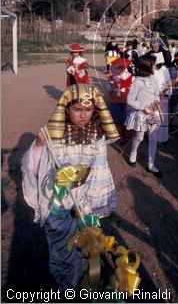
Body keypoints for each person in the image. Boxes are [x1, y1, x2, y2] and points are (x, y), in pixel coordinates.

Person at [21, 84, 119, 291]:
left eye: (88, 109)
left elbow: (100, 171)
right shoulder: (53, 135)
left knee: (88, 247)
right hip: (58, 202)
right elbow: (36, 171)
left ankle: (86, 280)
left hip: (86, 200)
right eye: (77, 109)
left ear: (95, 110)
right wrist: (38, 145)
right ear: (66, 109)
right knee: (62, 249)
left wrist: (93, 208)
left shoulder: (97, 136)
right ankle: (66, 285)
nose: (83, 115)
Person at [126, 55, 163, 177]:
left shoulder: (155, 80)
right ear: (146, 67)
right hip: (141, 114)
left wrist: (157, 103)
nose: (154, 67)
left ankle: (151, 164)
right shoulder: (137, 82)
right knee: (140, 138)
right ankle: (133, 153)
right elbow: (130, 100)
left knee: (153, 138)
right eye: (152, 65)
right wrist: (143, 107)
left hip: (153, 113)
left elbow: (156, 96)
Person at [108, 57, 134, 143]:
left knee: (127, 122)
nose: (118, 69)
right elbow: (108, 89)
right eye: (117, 67)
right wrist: (110, 86)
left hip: (128, 102)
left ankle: (127, 136)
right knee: (117, 121)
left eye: (119, 67)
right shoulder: (112, 77)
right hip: (115, 101)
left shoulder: (132, 77)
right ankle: (121, 137)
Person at [152, 52, 171, 145]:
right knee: (156, 118)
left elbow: (168, 83)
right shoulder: (152, 70)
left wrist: (165, 92)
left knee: (164, 119)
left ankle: (163, 138)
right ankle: (155, 137)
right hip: (155, 98)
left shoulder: (165, 70)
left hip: (164, 98)